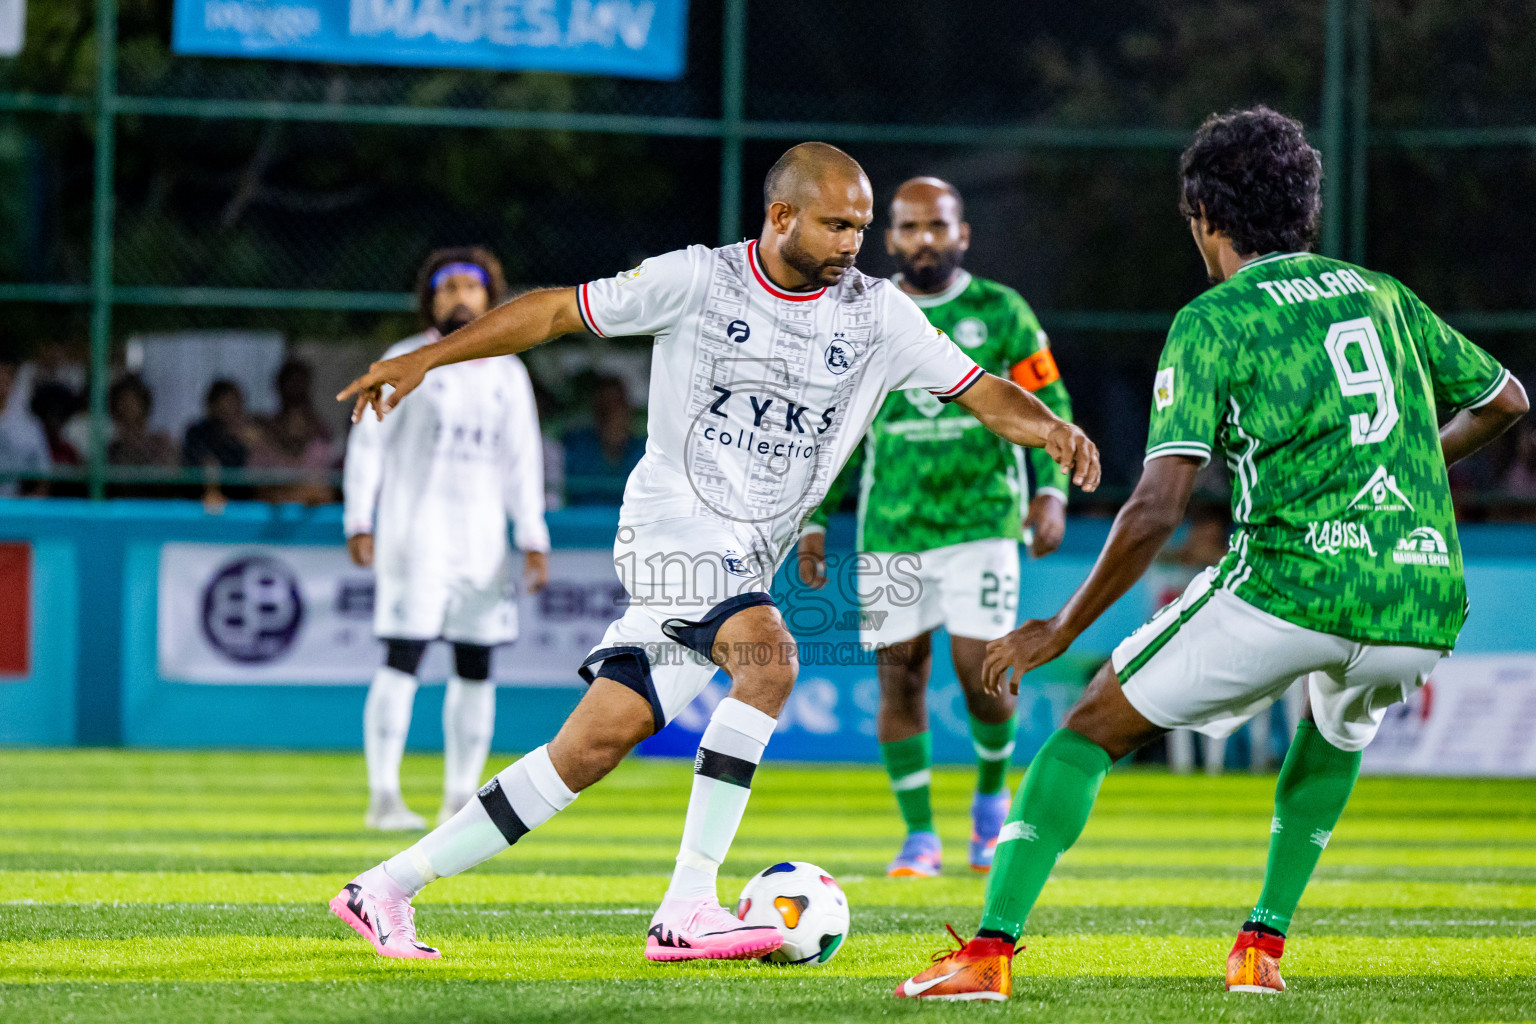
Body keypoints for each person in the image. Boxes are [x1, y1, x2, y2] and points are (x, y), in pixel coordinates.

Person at [330, 142, 1100, 964]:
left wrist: (1049, 428)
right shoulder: (697, 279)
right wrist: (427, 357)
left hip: (743, 554)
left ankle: (384, 887)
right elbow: (556, 310)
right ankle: (690, 904)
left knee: (585, 751)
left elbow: (982, 391)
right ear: (780, 216)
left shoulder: (878, 314)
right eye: (837, 224)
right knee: (769, 661)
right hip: (674, 525)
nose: (852, 243)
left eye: (861, 227)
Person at [896, 107, 1529, 1003]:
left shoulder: (1215, 318)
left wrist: (1061, 624)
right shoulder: (1381, 292)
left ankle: (988, 955)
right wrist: (1406, 462)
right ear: (1303, 207)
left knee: (1088, 730)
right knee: (1337, 726)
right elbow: (1505, 400)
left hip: (1290, 584)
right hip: (1421, 598)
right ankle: (1258, 948)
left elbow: (1159, 504)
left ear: (1206, 218)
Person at [796, 177, 1076, 876]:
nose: (926, 239)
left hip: (982, 519)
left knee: (982, 673)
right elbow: (836, 432)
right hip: (891, 528)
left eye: (938, 226)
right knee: (901, 682)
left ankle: (988, 805)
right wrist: (812, 519)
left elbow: (1049, 397)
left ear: (963, 234)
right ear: (890, 238)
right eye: (911, 227)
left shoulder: (999, 310)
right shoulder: (860, 312)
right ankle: (920, 836)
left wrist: (1053, 491)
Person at [343, 247, 551, 831]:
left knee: (476, 664)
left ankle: (460, 798)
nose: (460, 295)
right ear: (430, 299)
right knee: (402, 657)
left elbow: (522, 463)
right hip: (416, 536)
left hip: (483, 543)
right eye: (448, 286)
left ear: (490, 296)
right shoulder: (406, 359)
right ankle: (383, 795)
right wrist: (359, 519)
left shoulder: (508, 371)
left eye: (471, 286)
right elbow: (368, 444)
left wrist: (532, 535)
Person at [560, 374, 645, 504]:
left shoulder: (645, 452)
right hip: (583, 522)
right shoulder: (576, 448)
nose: (612, 415)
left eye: (617, 406)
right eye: (605, 408)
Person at [0, 355, 51, 497]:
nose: (2, 379)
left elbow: (43, 475)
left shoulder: (30, 425)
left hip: (16, 508)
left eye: (7, 374)